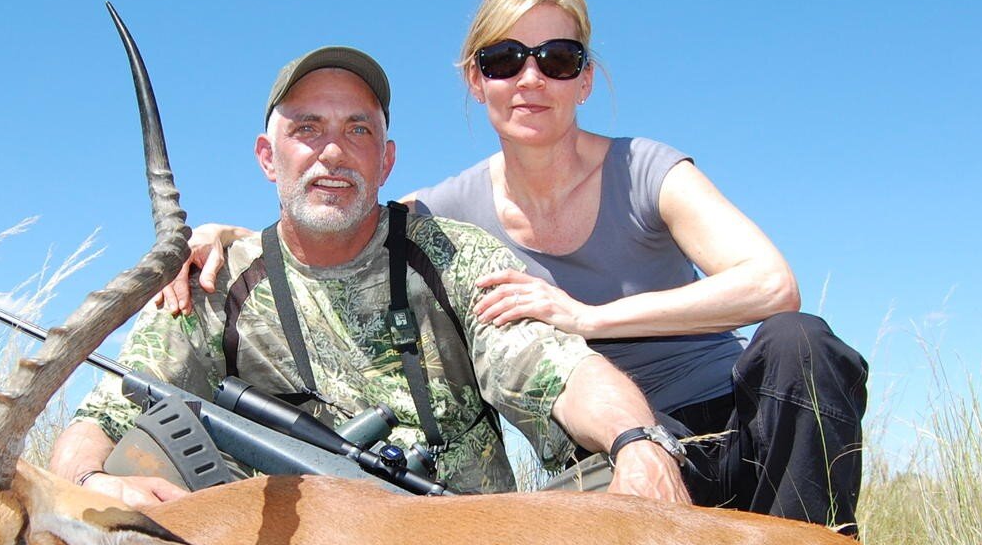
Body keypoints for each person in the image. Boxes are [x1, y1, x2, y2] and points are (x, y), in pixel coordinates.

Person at [162, 0, 867, 532]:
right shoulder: (450, 210)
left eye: (558, 60)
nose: (530, 80)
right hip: (601, 450)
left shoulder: (649, 170)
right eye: (505, 60)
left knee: (800, 344)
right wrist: (225, 238)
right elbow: (342, 214)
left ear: (585, 80)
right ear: (477, 80)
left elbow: (772, 285)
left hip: (731, 422)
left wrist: (583, 316)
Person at [50, 46, 689, 507]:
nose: (333, 150)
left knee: (616, 490)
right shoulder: (214, 282)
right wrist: (89, 485)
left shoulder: (452, 256)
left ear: (385, 161)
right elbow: (108, 412)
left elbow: (556, 369)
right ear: (268, 157)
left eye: (358, 129)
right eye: (307, 129)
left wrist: (639, 443)